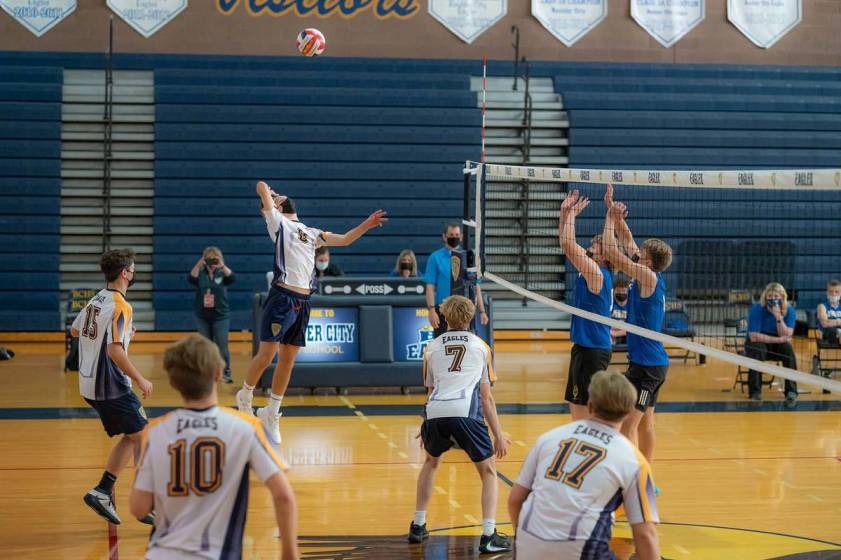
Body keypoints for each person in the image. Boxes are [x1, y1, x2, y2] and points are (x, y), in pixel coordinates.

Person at [236, 181, 387, 444]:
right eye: (276, 200)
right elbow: (260, 185)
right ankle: (245, 397)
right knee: (267, 354)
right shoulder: (278, 225)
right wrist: (268, 195)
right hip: (282, 297)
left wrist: (367, 224)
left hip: (303, 302)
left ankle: (272, 411)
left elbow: (345, 240)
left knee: (288, 359)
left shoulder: (311, 231)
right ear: (276, 207)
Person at [129, 334, 299, 560]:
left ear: (173, 383)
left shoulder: (154, 432)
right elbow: (284, 496)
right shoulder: (246, 428)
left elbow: (139, 508)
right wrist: (289, 553)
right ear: (218, 374)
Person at [508, 370, 661, 560]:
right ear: (630, 411)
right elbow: (646, 534)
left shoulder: (548, 438)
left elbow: (515, 500)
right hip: (580, 549)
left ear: (589, 406)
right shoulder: (634, 460)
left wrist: (525, 540)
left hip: (527, 543)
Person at [408, 295, 511, 554]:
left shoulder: (431, 347)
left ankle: (418, 525)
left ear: (444, 316)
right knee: (488, 472)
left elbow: (430, 392)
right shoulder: (481, 346)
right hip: (465, 411)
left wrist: (426, 424)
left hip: (436, 413)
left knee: (431, 463)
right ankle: (489, 534)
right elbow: (486, 398)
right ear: (470, 317)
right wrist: (498, 434)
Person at [71, 248, 154, 526]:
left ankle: (103, 491)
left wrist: (123, 333)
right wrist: (141, 378)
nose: (134, 272)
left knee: (134, 434)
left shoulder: (97, 299)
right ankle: (145, 505)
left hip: (89, 383)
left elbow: (75, 329)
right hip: (110, 385)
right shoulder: (121, 305)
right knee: (143, 436)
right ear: (125, 273)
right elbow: (114, 351)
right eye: (132, 268)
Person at [602, 185, 672, 466]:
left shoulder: (648, 277)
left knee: (629, 424)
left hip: (649, 368)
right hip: (647, 362)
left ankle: (634, 477)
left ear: (650, 263)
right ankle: (646, 475)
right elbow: (627, 239)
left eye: (641, 255)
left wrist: (608, 218)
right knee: (645, 424)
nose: (636, 254)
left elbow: (612, 251)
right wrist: (615, 212)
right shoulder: (647, 273)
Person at [559, 190, 613, 421]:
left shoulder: (597, 273)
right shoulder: (592, 268)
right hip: (584, 347)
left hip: (594, 349)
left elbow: (569, 245)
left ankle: (597, 448)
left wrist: (571, 214)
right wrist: (564, 214)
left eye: (596, 246)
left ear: (604, 256)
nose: (591, 247)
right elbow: (566, 246)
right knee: (576, 404)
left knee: (591, 408)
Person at [424, 222, 488, 337]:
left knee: (466, 346)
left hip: (464, 310)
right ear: (444, 236)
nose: (454, 237)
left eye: (457, 235)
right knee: (442, 346)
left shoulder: (469, 257)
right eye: (451, 234)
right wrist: (431, 310)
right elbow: (430, 286)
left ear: (461, 236)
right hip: (443, 310)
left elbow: (476, 285)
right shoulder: (435, 257)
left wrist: (482, 311)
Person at [745, 282, 798, 406]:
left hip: (776, 340)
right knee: (758, 350)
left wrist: (778, 317)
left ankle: (791, 391)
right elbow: (753, 336)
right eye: (770, 296)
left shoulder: (789, 310)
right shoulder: (757, 309)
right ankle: (755, 392)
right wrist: (778, 340)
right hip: (757, 341)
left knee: (788, 350)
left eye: (776, 296)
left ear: (782, 297)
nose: (773, 299)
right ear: (765, 297)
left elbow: (787, 334)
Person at [188, 246, 235, 383]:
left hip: (221, 316)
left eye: (214, 259)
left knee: (222, 345)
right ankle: (206, 372)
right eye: (209, 259)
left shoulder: (222, 273)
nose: (211, 262)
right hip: (202, 316)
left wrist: (222, 265)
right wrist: (199, 263)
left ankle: (226, 372)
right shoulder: (201, 273)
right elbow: (191, 278)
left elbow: (232, 278)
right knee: (205, 345)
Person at [816, 278, 841, 344]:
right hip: (828, 336)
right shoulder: (822, 306)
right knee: (832, 330)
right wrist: (839, 321)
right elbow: (824, 323)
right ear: (827, 292)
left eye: (837, 291)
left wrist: (831, 322)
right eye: (831, 291)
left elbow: (828, 322)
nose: (834, 294)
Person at [611, 275, 631, 344]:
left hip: (626, 337)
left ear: (628, 291)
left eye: (623, 290)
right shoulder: (610, 303)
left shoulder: (631, 305)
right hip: (611, 338)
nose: (621, 293)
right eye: (618, 290)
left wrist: (615, 333)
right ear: (613, 291)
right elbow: (606, 326)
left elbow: (633, 328)